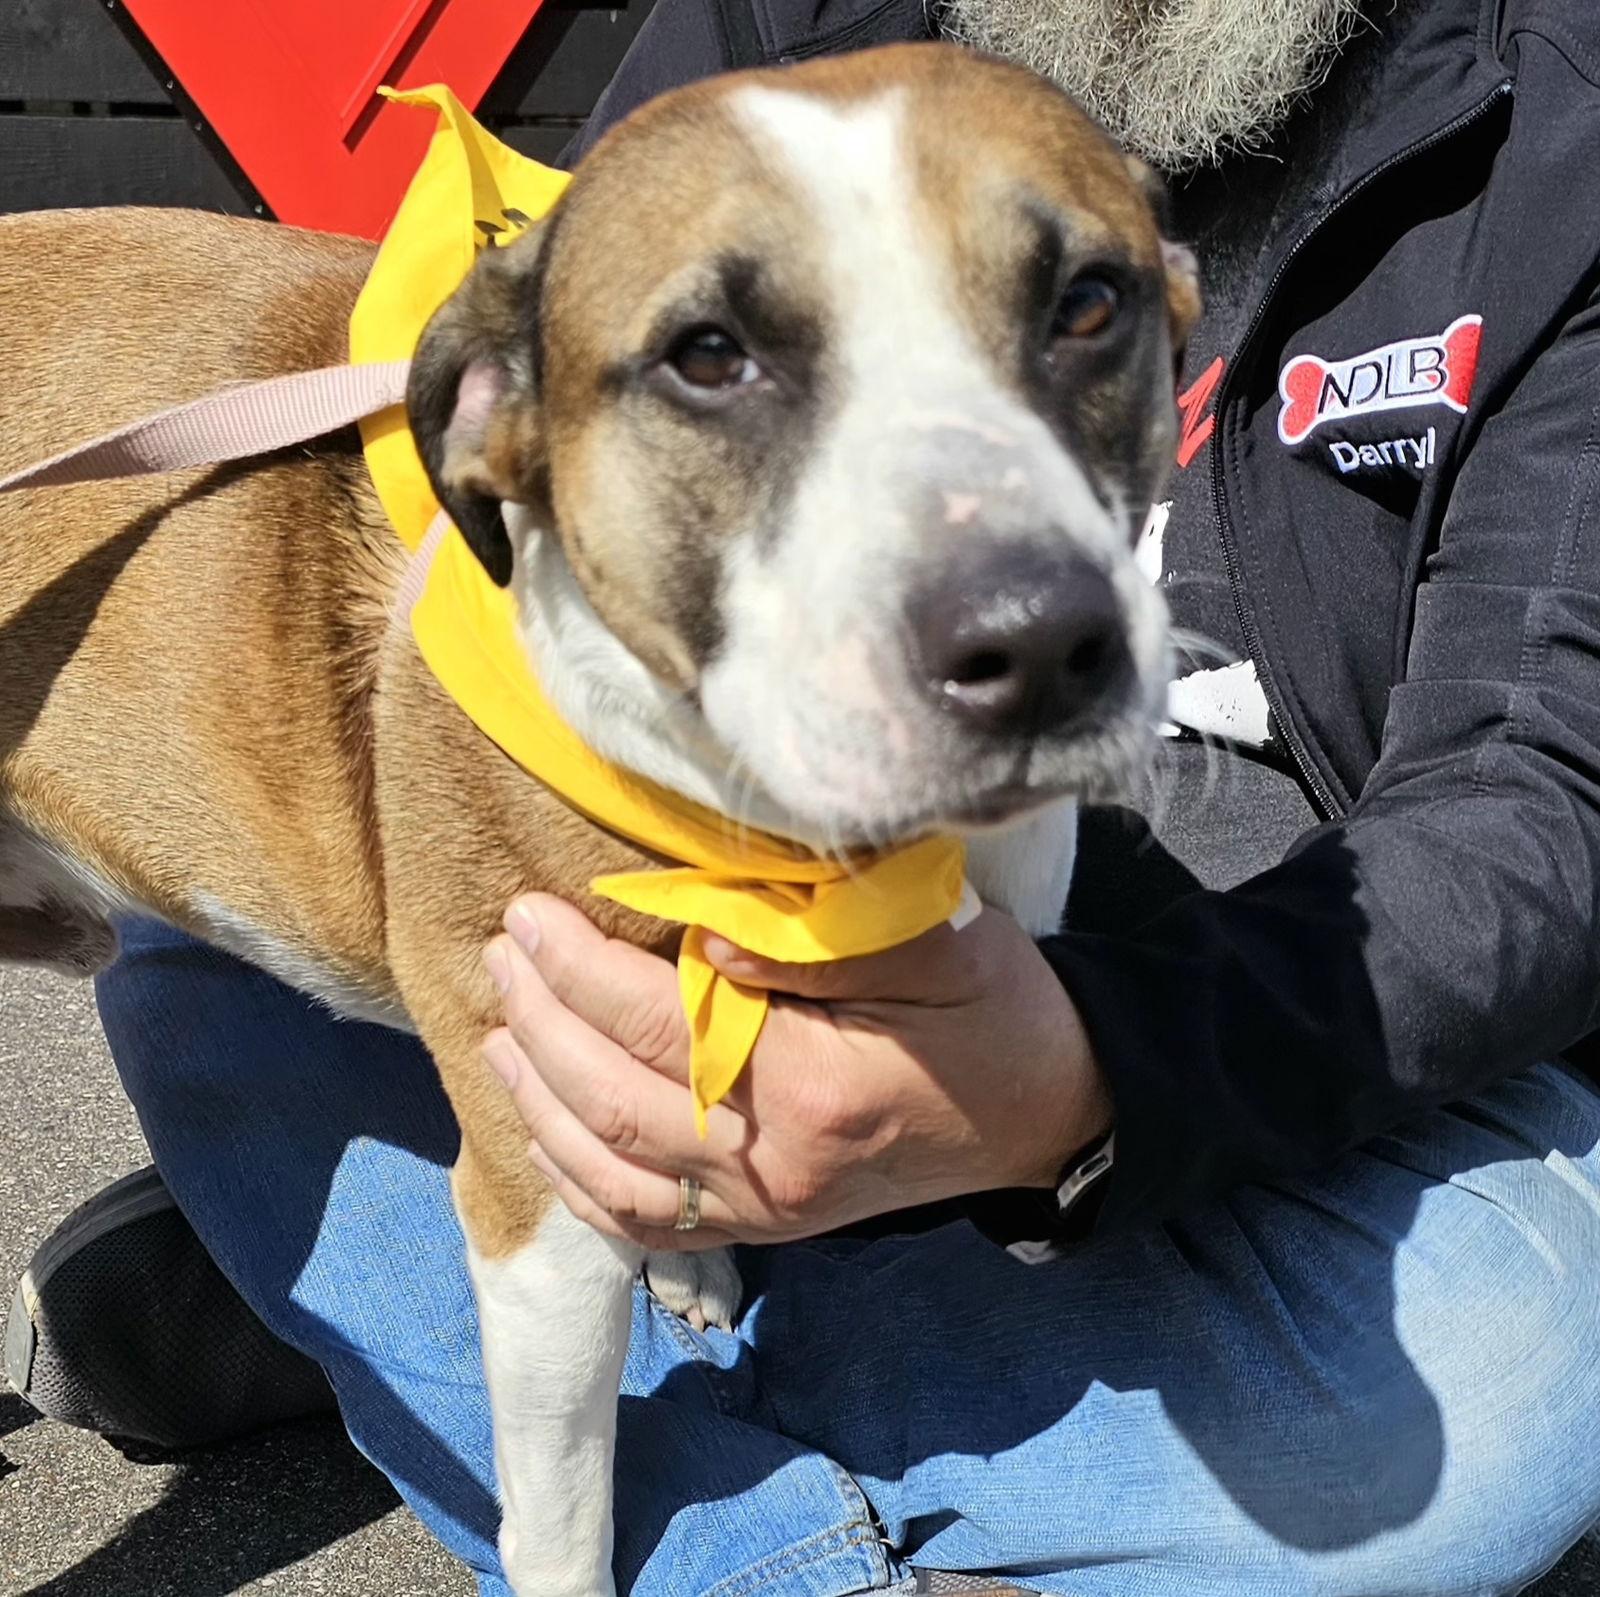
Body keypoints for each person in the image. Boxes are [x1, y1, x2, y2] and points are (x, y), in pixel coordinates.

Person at [11, 1, 1600, 1592]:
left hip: (1281, 993)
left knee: (1518, 1369)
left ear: (1164, 305)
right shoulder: (768, 30)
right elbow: (576, 347)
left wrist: (1077, 1088)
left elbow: (1547, 798)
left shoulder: (1561, 129)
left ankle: (396, 1310)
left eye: (1084, 314)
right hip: (694, 858)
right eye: (721, 356)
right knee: (237, 968)